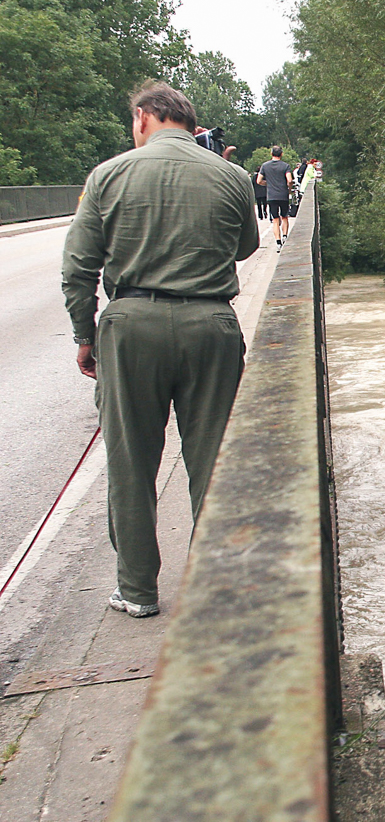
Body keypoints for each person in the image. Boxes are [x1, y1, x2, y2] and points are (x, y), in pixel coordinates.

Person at [62, 80, 259, 618]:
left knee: (131, 465)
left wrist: (86, 335)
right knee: (214, 462)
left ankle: (138, 591)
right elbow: (247, 246)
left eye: (134, 123)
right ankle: (216, 590)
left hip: (132, 327)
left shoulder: (108, 175)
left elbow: (78, 268)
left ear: (145, 118)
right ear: (190, 125)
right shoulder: (232, 175)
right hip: (211, 325)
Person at [256, 145, 293, 250]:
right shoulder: (285, 166)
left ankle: (278, 241)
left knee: (275, 219)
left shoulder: (265, 166)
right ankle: (285, 236)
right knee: (284, 216)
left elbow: (258, 181)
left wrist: (268, 184)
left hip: (271, 196)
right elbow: (289, 180)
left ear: (271, 153)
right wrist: (288, 188)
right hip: (283, 195)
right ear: (281, 154)